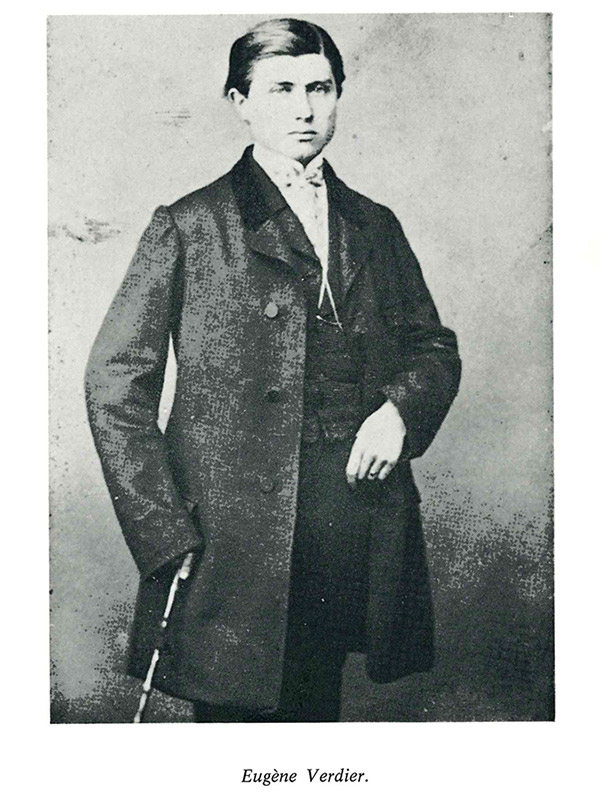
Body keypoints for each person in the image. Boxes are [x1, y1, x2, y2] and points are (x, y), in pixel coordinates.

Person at [85, 17, 461, 723]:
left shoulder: (374, 223)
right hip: (231, 534)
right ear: (241, 103)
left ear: (339, 95)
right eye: (281, 89)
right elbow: (114, 386)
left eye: (320, 88)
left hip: (347, 515)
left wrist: (400, 411)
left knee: (315, 708)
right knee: (237, 722)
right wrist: (165, 533)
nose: (305, 109)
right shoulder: (190, 225)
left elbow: (432, 347)